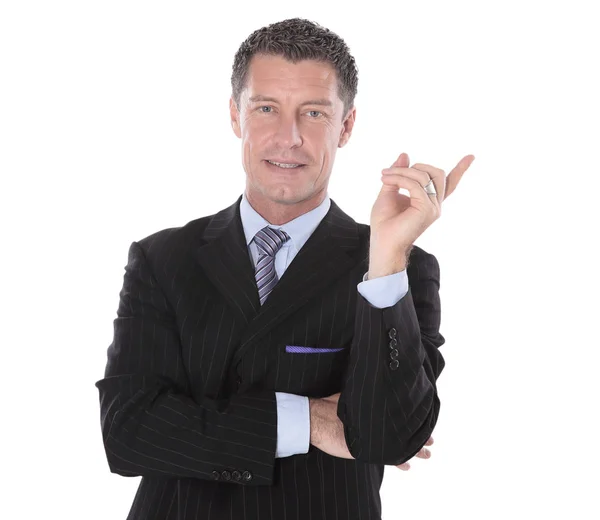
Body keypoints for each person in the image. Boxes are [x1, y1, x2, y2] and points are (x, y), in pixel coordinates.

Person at [95, 17, 474, 520]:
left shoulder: (399, 269)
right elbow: (128, 433)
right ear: (235, 116)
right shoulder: (164, 260)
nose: (288, 137)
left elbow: (390, 437)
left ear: (346, 126)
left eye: (314, 113)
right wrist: (309, 422)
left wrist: (384, 257)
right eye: (266, 108)